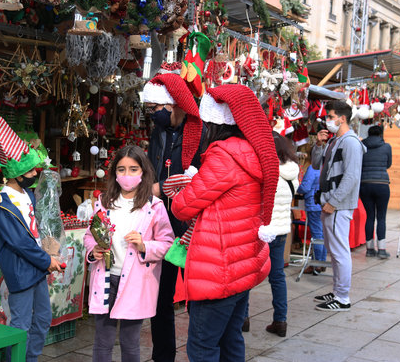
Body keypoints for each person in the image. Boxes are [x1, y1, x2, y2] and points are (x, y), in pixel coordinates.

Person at [171, 84, 279, 361]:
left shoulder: (223, 157)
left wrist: (180, 191)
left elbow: (183, 207)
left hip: (219, 271)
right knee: (231, 341)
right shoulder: (249, 152)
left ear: (214, 123)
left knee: (202, 347)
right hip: (241, 266)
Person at [0, 106, 63, 362]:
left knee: (43, 319)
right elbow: (20, 243)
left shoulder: (25, 195)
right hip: (22, 269)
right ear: (14, 172)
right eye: (30, 170)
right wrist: (47, 261)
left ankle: (30, 358)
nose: (35, 173)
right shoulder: (3, 206)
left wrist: (49, 246)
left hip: (36, 266)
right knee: (21, 323)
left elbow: (35, 231)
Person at [84, 145, 175, 362]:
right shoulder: (104, 202)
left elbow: (167, 242)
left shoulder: (154, 206)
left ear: (143, 172)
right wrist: (92, 249)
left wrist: (145, 246)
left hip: (136, 281)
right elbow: (89, 235)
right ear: (114, 173)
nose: (127, 175)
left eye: (133, 169)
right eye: (122, 169)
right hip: (105, 277)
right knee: (102, 339)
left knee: (130, 340)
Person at [141, 73, 204, 362]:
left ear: (174, 104)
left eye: (155, 109)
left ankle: (202, 352)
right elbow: (153, 169)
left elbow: (203, 180)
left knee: (198, 296)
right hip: (163, 224)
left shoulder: (200, 133)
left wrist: (165, 188)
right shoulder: (159, 133)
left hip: (192, 225)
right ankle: (162, 356)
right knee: (161, 296)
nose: (153, 115)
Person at [311, 100, 366, 312]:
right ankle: (337, 291)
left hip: (338, 205)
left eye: (330, 116)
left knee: (340, 251)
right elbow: (317, 165)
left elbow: (352, 176)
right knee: (334, 251)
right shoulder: (335, 141)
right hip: (329, 202)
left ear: (342, 118)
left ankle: (342, 297)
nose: (327, 120)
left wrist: (333, 202)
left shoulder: (350, 142)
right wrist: (319, 145)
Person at [260, 131, 299, 337]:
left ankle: (242, 320)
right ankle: (280, 320)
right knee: (277, 276)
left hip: (261, 230)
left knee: (247, 274)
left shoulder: (266, 171)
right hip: (281, 230)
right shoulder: (292, 173)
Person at [360, 125, 392, 259]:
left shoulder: (362, 146)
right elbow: (388, 164)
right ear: (380, 134)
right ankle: (382, 249)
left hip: (365, 184)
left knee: (369, 216)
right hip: (382, 184)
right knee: (381, 217)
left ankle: (369, 249)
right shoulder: (386, 146)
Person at [297, 159, 327, 275]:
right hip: (324, 204)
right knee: (322, 235)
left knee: (317, 235)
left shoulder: (313, 167)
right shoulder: (326, 166)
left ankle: (316, 264)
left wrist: (297, 189)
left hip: (313, 204)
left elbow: (305, 187)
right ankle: (321, 262)